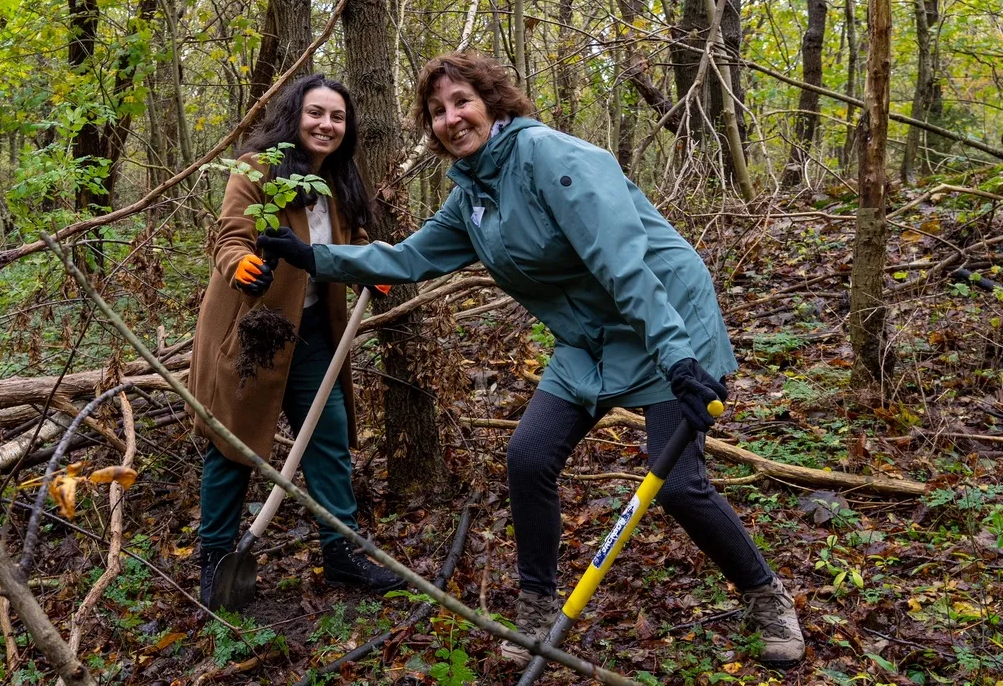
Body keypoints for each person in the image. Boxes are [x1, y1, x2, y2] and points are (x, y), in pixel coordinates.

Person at [259, 52, 805, 666]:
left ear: (494, 101)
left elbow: (625, 265)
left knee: (678, 485)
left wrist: (679, 359)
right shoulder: (471, 196)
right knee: (529, 457)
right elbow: (408, 260)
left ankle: (766, 595)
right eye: (437, 111)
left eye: (461, 101)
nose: (451, 118)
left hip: (663, 322)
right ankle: (539, 608)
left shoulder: (552, 158)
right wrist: (315, 259)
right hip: (589, 341)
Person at [187, 74, 405, 606]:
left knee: (327, 438)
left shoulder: (343, 178)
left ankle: (342, 553)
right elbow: (230, 233)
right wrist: (241, 267)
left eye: (337, 117)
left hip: (312, 334)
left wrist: (371, 265)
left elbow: (352, 241)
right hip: (253, 331)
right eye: (316, 113)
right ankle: (215, 560)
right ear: (294, 116)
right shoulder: (256, 168)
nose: (326, 125)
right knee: (234, 445)